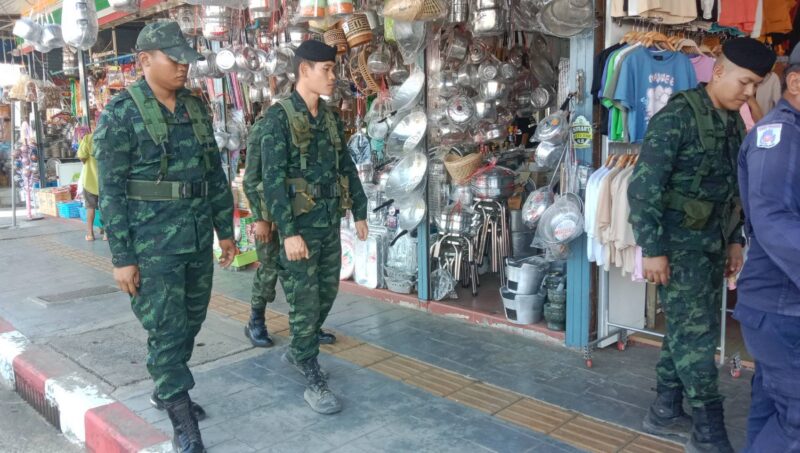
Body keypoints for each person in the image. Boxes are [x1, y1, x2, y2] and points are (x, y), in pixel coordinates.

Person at [627, 37, 775, 453]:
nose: (749, 92)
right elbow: (644, 186)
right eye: (745, 82)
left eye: (757, 85)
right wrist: (652, 248)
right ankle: (709, 430)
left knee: (687, 328)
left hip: (711, 244)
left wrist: (734, 240)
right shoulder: (677, 116)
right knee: (697, 336)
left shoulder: (731, 121)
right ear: (720, 71)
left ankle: (665, 409)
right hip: (678, 248)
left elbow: (731, 188)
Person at [95, 21, 236, 452]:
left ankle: (166, 386)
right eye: (173, 59)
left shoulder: (194, 107)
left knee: (191, 321)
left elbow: (214, 174)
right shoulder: (121, 114)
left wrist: (225, 232)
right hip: (151, 247)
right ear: (144, 60)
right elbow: (111, 193)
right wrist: (122, 257)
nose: (182, 67)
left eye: (185, 60)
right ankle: (182, 419)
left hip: (195, 238)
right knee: (167, 330)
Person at [259, 40, 368, 414]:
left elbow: (346, 167)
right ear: (304, 70)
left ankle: (300, 348)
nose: (333, 76)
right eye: (327, 69)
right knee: (305, 302)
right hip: (300, 229)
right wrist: (288, 232)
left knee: (326, 294)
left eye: (334, 69)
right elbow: (272, 182)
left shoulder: (331, 118)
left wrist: (360, 211)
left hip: (327, 223)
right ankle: (310, 370)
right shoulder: (278, 119)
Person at [734, 44, 800, 453]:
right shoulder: (779, 136)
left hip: (783, 305)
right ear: (795, 81)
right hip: (780, 306)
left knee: (772, 406)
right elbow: (774, 218)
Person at [242, 117, 277, 348]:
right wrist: (260, 218)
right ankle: (256, 320)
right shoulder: (264, 126)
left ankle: (306, 324)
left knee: (301, 274)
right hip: (269, 216)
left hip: (298, 214)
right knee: (269, 269)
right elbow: (250, 179)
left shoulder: (303, 120)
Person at [77, 132, 106, 241]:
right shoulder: (110, 136)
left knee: (90, 208)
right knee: (105, 208)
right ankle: (107, 234)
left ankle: (90, 234)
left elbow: (81, 157)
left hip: (89, 179)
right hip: (105, 180)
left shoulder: (88, 138)